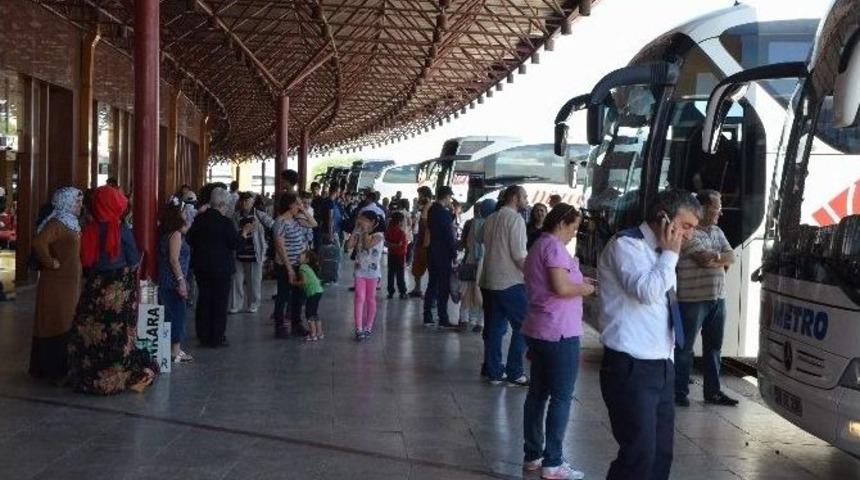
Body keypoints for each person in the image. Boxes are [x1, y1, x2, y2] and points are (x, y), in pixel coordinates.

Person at [598, 189, 701, 480]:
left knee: (660, 455)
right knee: (638, 455)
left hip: (661, 363)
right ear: (663, 218)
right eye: (686, 226)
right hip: (630, 365)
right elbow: (646, 291)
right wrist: (670, 255)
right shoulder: (626, 245)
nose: (689, 235)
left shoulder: (662, 254)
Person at [521, 203, 596, 480]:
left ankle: (533, 454)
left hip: (539, 328)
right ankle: (553, 461)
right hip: (559, 331)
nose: (573, 234)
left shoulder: (539, 244)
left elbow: (557, 279)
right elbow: (561, 287)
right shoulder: (553, 247)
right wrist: (587, 288)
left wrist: (579, 278)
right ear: (562, 223)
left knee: (538, 393)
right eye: (573, 228)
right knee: (561, 397)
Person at [68, 185, 157, 394]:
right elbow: (134, 260)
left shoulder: (89, 228)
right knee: (116, 332)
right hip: (118, 287)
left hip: (95, 285)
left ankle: (87, 372)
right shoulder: (120, 229)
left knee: (91, 327)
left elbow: (86, 260)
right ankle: (114, 375)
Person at [675, 190, 738, 407]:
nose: (719, 214)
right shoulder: (688, 233)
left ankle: (713, 392)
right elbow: (703, 259)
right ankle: (679, 391)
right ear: (701, 209)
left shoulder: (717, 231)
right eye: (716, 209)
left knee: (714, 348)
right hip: (691, 299)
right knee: (684, 348)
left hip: (717, 299)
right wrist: (719, 258)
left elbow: (732, 257)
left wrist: (717, 258)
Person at [29, 187, 82, 382]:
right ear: (65, 202)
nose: (79, 205)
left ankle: (62, 367)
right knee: (57, 321)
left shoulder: (71, 222)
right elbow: (39, 242)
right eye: (76, 202)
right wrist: (50, 261)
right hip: (56, 283)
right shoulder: (56, 223)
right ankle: (52, 369)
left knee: (67, 320)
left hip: (69, 282)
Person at [480, 185, 530, 387]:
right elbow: (519, 255)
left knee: (493, 327)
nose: (526, 200)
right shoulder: (516, 220)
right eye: (524, 197)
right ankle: (515, 371)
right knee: (525, 325)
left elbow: (480, 239)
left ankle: (493, 371)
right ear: (516, 197)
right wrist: (534, 275)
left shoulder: (491, 218)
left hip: (488, 280)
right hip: (509, 281)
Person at [187, 187, 243, 348]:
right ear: (223, 204)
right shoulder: (226, 222)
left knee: (204, 299)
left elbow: (190, 239)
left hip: (201, 266)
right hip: (222, 268)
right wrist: (243, 235)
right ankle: (216, 336)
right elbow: (235, 244)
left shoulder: (199, 220)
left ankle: (203, 333)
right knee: (219, 302)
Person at [158, 198, 193, 363]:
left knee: (171, 313)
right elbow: (174, 259)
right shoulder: (175, 235)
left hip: (166, 279)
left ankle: (173, 348)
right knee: (177, 314)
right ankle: (175, 350)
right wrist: (181, 280)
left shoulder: (168, 232)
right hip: (173, 281)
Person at [229, 192, 275, 314]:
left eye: (248, 201)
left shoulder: (259, 215)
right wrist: (242, 231)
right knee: (236, 281)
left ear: (253, 203)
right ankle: (236, 305)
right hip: (239, 253)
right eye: (243, 201)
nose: (245, 204)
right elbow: (232, 233)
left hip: (255, 253)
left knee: (254, 281)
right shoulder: (235, 216)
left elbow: (273, 225)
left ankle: (253, 303)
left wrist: (260, 228)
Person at [271, 192, 307, 338]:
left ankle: (296, 323)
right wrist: (289, 268)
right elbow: (280, 247)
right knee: (283, 295)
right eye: (297, 203)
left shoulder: (295, 220)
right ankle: (280, 326)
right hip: (286, 265)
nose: (300, 206)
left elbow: (313, 224)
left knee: (298, 296)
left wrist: (303, 211)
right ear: (290, 204)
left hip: (299, 264)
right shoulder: (280, 222)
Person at [458, 198, 495, 334]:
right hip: (484, 263)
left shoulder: (471, 223)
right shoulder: (493, 224)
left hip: (471, 261)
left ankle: (465, 320)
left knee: (467, 292)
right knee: (481, 294)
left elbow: (464, 243)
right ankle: (479, 322)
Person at [424, 186, 457, 328]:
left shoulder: (432, 210)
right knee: (443, 287)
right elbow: (449, 236)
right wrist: (454, 252)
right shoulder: (443, 213)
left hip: (432, 251)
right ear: (447, 196)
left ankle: (427, 316)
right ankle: (443, 318)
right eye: (450, 197)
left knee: (432, 284)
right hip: (443, 254)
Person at [348, 210, 384, 340]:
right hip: (359, 270)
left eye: (364, 220)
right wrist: (355, 231)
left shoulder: (379, 235)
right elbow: (349, 246)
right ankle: (359, 328)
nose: (361, 222)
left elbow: (368, 245)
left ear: (372, 222)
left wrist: (363, 231)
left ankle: (368, 327)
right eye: (360, 219)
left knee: (370, 299)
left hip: (373, 273)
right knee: (359, 297)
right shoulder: (359, 231)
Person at [291, 250, 325, 341]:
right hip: (318, 291)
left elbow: (303, 282)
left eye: (301, 255)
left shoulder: (302, 267)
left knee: (309, 313)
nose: (299, 255)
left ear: (306, 259)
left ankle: (312, 334)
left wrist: (293, 283)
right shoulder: (308, 267)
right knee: (314, 313)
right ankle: (319, 333)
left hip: (312, 292)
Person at [409, 194, 432, 298]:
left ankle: (425, 291)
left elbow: (423, 223)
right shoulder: (422, 213)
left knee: (427, 269)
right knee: (417, 268)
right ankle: (417, 288)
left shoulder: (427, 214)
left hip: (425, 246)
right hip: (421, 245)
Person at [385, 211, 410, 299]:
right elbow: (400, 244)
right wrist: (396, 245)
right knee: (400, 274)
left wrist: (391, 245)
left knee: (391, 273)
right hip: (400, 255)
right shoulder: (401, 233)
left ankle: (390, 291)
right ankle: (402, 291)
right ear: (399, 222)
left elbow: (386, 243)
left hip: (391, 254)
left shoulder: (389, 230)